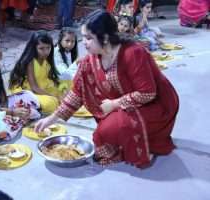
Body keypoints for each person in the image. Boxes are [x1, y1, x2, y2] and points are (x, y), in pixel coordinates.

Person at [35, 10, 179, 168]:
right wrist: (51, 119)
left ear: (104, 37)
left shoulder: (133, 53)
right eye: (83, 37)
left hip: (155, 104)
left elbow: (148, 92)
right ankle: (126, 136)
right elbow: (77, 93)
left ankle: (142, 143)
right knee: (106, 132)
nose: (84, 42)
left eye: (89, 38)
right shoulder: (90, 60)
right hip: (126, 105)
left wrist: (115, 104)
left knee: (106, 133)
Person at [10, 31, 68, 114]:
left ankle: (36, 106)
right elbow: (34, 88)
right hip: (28, 92)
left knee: (68, 84)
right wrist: (54, 97)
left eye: (48, 48)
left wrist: (63, 90)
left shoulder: (46, 59)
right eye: (41, 48)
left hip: (42, 88)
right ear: (34, 48)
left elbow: (53, 78)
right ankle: (30, 107)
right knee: (52, 103)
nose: (46, 52)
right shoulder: (30, 62)